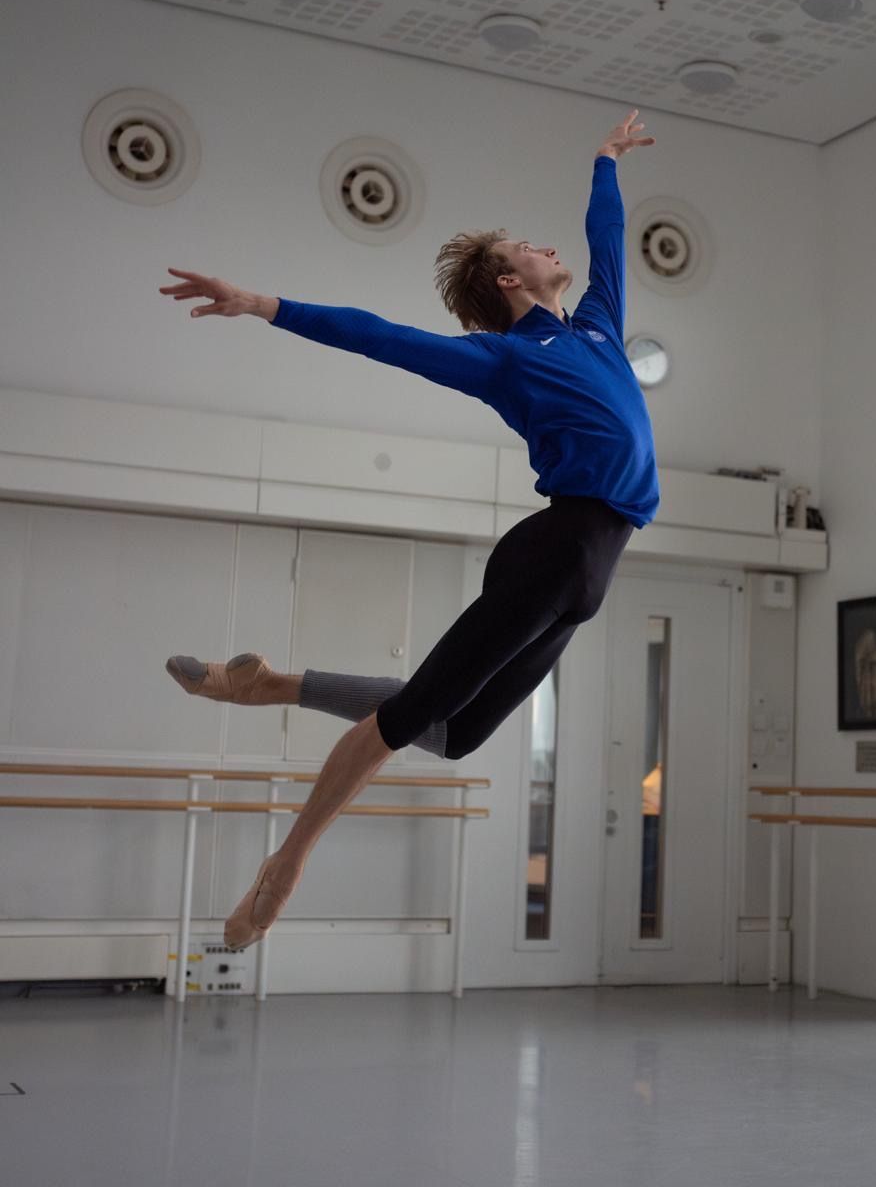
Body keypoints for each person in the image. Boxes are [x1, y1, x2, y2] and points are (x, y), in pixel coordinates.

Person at [160, 109, 660, 951]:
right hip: (559, 548)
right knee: (410, 717)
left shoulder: (600, 329)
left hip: (594, 569)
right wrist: (261, 304)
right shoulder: (507, 359)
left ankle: (269, 684)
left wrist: (605, 161)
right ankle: (286, 862)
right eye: (527, 246)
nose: (547, 248)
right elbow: (380, 338)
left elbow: (606, 236)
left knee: (455, 733)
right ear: (508, 282)